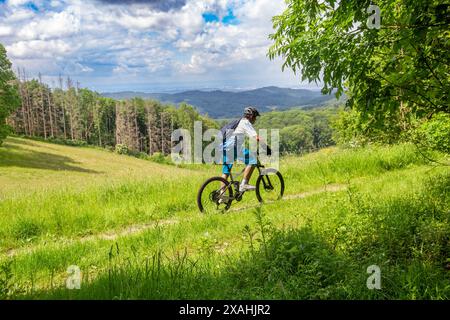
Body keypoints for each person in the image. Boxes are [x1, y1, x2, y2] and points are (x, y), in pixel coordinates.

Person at [220, 106, 270, 192]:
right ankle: (244, 184)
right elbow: (256, 137)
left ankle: (221, 195)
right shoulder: (245, 123)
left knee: (226, 172)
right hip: (233, 146)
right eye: (255, 117)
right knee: (253, 160)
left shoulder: (238, 122)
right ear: (250, 116)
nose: (255, 119)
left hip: (224, 146)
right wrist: (266, 147)